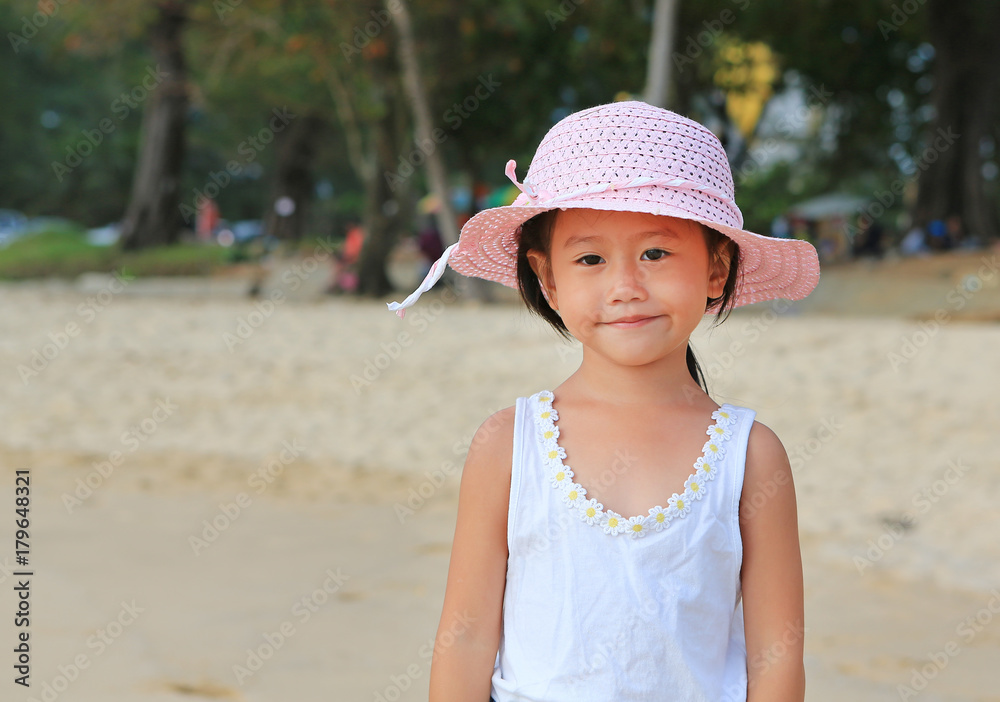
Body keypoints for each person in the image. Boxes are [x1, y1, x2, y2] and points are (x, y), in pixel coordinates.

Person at [386, 101, 820, 702]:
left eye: (656, 254)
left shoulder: (751, 457)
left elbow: (777, 658)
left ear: (716, 270)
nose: (625, 288)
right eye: (590, 258)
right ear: (548, 279)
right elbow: (464, 641)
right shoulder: (509, 444)